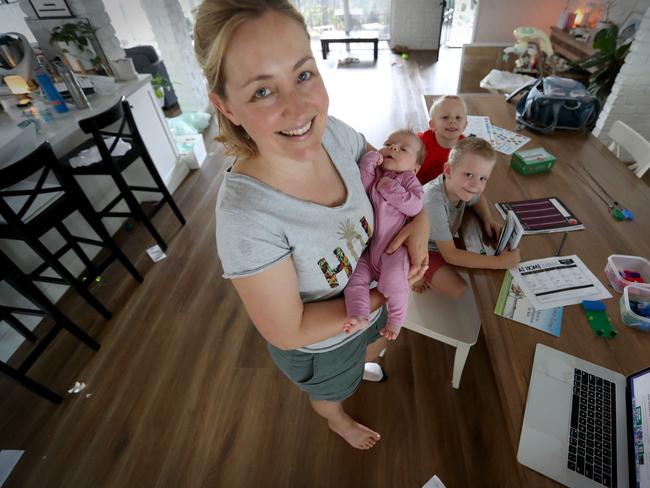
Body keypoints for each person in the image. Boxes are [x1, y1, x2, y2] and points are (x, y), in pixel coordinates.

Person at [194, 0, 430, 450]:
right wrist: (387, 291)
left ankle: (359, 364)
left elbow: (390, 177)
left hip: (368, 303)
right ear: (225, 105)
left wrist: (421, 219)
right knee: (332, 391)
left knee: (371, 348)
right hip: (324, 341)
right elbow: (288, 329)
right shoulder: (247, 217)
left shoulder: (336, 135)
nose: (299, 108)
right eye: (262, 91)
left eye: (303, 75)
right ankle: (335, 420)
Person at [412, 138, 520, 298]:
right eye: (469, 174)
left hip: (440, 241)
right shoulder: (433, 202)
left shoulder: (461, 187)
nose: (476, 184)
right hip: (420, 250)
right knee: (458, 290)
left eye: (483, 178)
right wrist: (499, 263)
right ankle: (417, 275)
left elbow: (479, 199)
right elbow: (451, 255)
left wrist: (487, 219)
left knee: (478, 254)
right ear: (448, 171)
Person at [344, 130, 424, 341]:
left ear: (415, 168)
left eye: (403, 148)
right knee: (354, 279)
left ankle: (396, 320)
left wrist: (390, 188)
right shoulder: (377, 173)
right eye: (389, 143)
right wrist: (368, 163)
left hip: (394, 251)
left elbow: (415, 205)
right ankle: (359, 315)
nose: (393, 148)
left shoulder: (408, 179)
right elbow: (361, 186)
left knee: (394, 284)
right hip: (369, 252)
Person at [416, 95, 468, 186]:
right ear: (432, 125)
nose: (452, 121)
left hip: (448, 191)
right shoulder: (420, 141)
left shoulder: (466, 148)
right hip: (418, 187)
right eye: (445, 117)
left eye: (458, 117)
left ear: (465, 125)